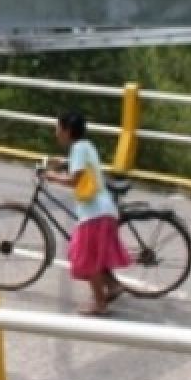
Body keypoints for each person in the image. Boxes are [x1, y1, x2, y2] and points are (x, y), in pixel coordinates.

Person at [44, 112, 131, 316]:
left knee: (87, 258)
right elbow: (79, 168)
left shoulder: (78, 150)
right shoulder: (85, 146)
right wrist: (60, 164)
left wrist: (52, 176)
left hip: (95, 214)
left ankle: (99, 303)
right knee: (90, 255)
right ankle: (114, 286)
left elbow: (74, 180)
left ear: (67, 131)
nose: (56, 132)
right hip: (101, 211)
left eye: (58, 128)